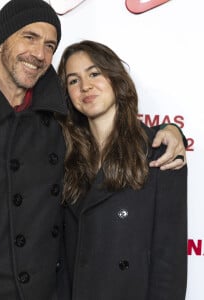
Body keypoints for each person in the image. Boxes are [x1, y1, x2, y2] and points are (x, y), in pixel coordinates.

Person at [0, 0, 186, 299]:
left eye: (50, 45)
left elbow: (109, 130)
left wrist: (170, 131)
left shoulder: (57, 122)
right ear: (1, 42)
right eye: (29, 37)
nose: (39, 54)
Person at [57, 40, 187, 300]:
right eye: (73, 80)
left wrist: (173, 129)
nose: (85, 86)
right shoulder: (64, 154)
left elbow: (169, 262)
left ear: (116, 78)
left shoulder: (160, 152)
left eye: (94, 73)